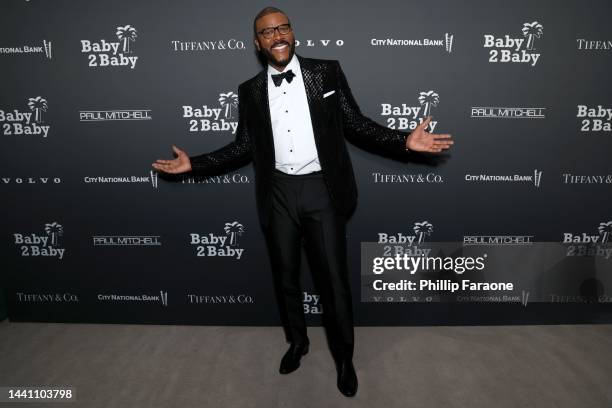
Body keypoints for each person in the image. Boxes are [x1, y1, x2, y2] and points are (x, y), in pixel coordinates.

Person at [152, 6, 453, 397]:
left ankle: (344, 359)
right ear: (258, 44)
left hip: (321, 191)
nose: (276, 35)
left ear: (293, 34)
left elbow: (356, 124)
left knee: (334, 283)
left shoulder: (325, 73)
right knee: (286, 278)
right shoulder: (249, 91)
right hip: (277, 193)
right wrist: (196, 164)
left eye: (282, 28)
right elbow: (243, 146)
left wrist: (402, 141)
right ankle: (298, 342)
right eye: (266, 32)